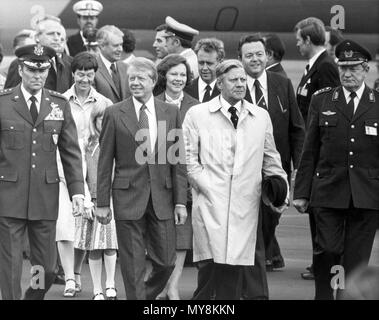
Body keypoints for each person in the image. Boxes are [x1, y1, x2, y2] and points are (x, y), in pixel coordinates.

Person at [182, 59, 289, 300]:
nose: (240, 84)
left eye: (243, 80)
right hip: (210, 200)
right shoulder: (197, 114)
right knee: (211, 267)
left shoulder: (260, 116)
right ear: (219, 83)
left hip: (247, 204)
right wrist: (208, 187)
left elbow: (271, 158)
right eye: (234, 80)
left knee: (237, 266)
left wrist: (282, 191)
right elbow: (187, 159)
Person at [94, 57, 187, 300]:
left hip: (162, 198)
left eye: (140, 78)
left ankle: (142, 296)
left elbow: (177, 162)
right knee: (132, 264)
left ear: (154, 81)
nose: (134, 82)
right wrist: (102, 202)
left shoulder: (171, 112)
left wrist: (179, 201)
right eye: (131, 78)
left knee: (166, 262)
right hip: (127, 197)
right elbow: (104, 161)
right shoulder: (114, 113)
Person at [293, 39, 379, 300]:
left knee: (356, 258)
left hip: (366, 194)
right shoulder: (323, 100)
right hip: (329, 191)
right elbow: (310, 150)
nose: (347, 73)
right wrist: (301, 192)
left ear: (366, 69)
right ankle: (323, 294)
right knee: (327, 250)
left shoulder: (377, 103)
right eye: (343, 67)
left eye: (353, 68)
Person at [0, 44, 84, 300]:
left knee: (46, 268)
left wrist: (77, 191)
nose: (38, 76)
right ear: (21, 70)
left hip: (45, 197)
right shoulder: (3, 103)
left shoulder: (58, 104)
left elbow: (70, 152)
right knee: (11, 265)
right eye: (32, 70)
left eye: (43, 70)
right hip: (8, 196)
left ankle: (32, 298)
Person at [239, 34, 305, 298]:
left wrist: (298, 169)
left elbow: (297, 129)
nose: (255, 59)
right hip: (244, 172)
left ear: (266, 56)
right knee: (250, 232)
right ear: (241, 59)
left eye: (258, 54)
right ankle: (253, 284)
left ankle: (258, 267)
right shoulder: (236, 84)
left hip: (276, 173)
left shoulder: (282, 83)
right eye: (248, 55)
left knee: (269, 223)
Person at [58, 52, 113, 298]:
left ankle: (77, 273)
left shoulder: (105, 103)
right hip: (64, 171)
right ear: (73, 74)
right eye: (80, 74)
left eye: (89, 75)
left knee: (84, 228)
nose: (85, 79)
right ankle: (69, 277)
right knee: (65, 225)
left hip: (94, 170)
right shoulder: (60, 101)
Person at [294, 17, 340, 280]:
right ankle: (318, 261)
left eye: (300, 40)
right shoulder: (313, 66)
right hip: (310, 147)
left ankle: (325, 264)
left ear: (309, 40)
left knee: (321, 213)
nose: (298, 45)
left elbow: (328, 113)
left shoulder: (325, 68)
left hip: (321, 153)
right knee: (314, 211)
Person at [154, 54, 199, 300]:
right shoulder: (152, 103)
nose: (179, 79)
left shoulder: (197, 105)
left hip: (187, 180)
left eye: (183, 75)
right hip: (159, 179)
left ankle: (172, 286)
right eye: (174, 74)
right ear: (164, 76)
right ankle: (161, 283)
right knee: (160, 236)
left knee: (182, 236)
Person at [75, 101, 118, 300]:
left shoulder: (119, 141)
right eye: (101, 118)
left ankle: (110, 284)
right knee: (93, 247)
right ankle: (97, 289)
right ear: (95, 120)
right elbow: (80, 174)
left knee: (109, 245)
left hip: (111, 202)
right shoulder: (86, 143)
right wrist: (86, 201)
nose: (104, 121)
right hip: (91, 201)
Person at [5, 16, 73, 93]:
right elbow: (9, 99)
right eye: (51, 34)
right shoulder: (20, 63)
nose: (57, 38)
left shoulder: (69, 64)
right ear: (37, 37)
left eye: (58, 34)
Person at [94, 25, 130, 103]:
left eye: (121, 45)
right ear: (102, 46)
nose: (120, 49)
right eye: (116, 45)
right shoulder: (92, 69)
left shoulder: (127, 68)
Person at [184, 38, 224, 102]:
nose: (204, 68)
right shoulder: (185, 89)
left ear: (220, 62)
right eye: (201, 63)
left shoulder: (226, 90)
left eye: (209, 63)